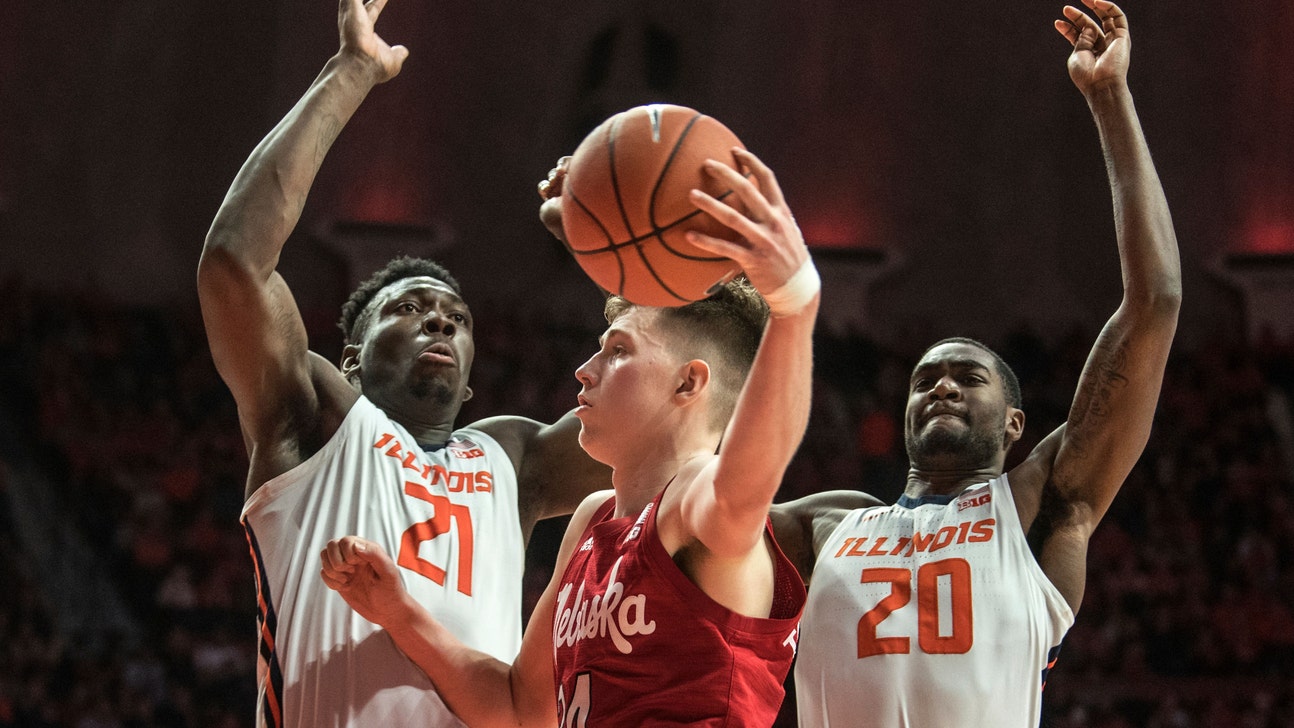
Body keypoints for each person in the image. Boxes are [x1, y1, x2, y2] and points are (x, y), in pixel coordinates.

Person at [196, 1, 610, 725]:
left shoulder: (513, 458)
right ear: (351, 357)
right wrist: (350, 71)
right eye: (410, 307)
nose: (441, 320)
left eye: (458, 317)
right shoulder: (316, 420)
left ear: (470, 381)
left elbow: (681, 409)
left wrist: (628, 251)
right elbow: (234, 263)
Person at [769, 2, 1181, 725]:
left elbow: (1156, 302)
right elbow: (687, 513)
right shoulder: (824, 526)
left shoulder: (1042, 505)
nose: (942, 387)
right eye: (924, 380)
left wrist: (1110, 96)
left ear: (1015, 422)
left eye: (968, 377)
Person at [320, 147, 819, 726]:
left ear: (688, 383)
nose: (583, 370)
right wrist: (398, 611)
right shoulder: (592, 519)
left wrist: (794, 304)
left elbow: (747, 481)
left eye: (618, 350)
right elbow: (517, 708)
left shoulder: (697, 497)